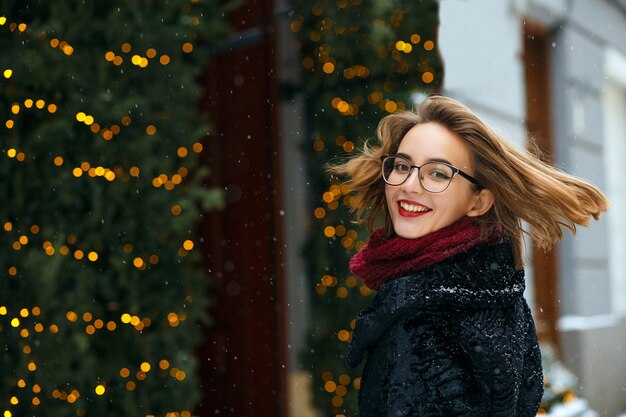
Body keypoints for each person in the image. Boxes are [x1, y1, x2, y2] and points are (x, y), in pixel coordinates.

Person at [332, 95, 608, 416]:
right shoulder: (495, 292)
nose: (409, 185)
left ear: (478, 202)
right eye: (402, 166)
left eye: (437, 173)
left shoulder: (422, 322)